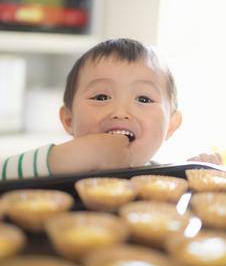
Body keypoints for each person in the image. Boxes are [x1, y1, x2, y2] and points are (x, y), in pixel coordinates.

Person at [0, 38, 222, 180]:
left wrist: (193, 174)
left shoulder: (163, 179)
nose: (120, 111)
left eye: (143, 99)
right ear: (68, 119)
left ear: (171, 126)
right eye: (101, 96)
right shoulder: (55, 166)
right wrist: (62, 159)